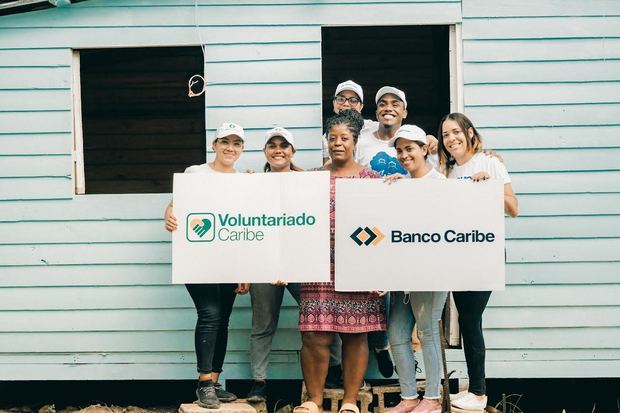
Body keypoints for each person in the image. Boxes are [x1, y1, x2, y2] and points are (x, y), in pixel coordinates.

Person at [295, 110, 386, 413]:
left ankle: (349, 401)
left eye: (344, 138)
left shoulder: (372, 180)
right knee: (314, 336)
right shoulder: (310, 179)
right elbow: (283, 209)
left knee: (356, 335)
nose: (337, 143)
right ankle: (314, 401)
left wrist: (380, 273)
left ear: (355, 142)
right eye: (332, 138)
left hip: (359, 268)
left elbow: (382, 225)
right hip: (317, 266)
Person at [164, 122, 250, 409]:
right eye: (225, 141)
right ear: (214, 145)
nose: (230, 148)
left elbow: (246, 226)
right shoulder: (196, 173)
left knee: (222, 317)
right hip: (198, 257)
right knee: (210, 313)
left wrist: (244, 270)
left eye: (237, 143)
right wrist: (169, 215)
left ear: (241, 149)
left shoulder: (243, 181)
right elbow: (175, 205)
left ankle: (214, 380)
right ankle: (203, 383)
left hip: (229, 259)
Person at [437, 113, 518, 413]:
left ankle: (479, 392)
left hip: (486, 252)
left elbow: (514, 209)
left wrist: (491, 186)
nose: (451, 139)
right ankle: (475, 391)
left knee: (471, 320)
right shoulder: (447, 171)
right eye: (445, 135)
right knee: (469, 321)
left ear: (469, 132)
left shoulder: (490, 162)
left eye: (456, 132)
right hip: (459, 254)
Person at [321, 80, 394, 381]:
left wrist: (430, 140)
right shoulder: (324, 134)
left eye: (354, 99)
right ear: (334, 103)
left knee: (375, 289)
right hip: (335, 218)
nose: (348, 103)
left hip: (371, 213)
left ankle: (380, 343)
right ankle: (340, 368)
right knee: (332, 300)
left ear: (363, 108)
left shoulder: (378, 131)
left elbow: (408, 140)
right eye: (342, 99)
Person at [382, 125, 448, 413]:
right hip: (401, 274)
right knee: (396, 334)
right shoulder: (400, 184)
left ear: (424, 149)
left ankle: (432, 397)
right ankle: (409, 396)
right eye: (399, 150)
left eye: (410, 148)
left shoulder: (441, 184)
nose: (404, 154)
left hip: (430, 275)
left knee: (427, 333)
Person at [246, 127, 303, 402]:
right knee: (263, 323)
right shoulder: (254, 182)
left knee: (321, 317)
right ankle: (259, 382)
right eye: (272, 145)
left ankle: (335, 370)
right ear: (265, 152)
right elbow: (245, 227)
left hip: (302, 262)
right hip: (263, 262)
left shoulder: (308, 181)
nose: (278, 150)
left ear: (292, 151)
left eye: (284, 145)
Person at [356, 86, 438, 177]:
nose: (388, 108)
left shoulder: (418, 142)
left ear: (404, 113)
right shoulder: (360, 142)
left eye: (395, 105)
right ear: (376, 113)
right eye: (382, 104)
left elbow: (432, 178)